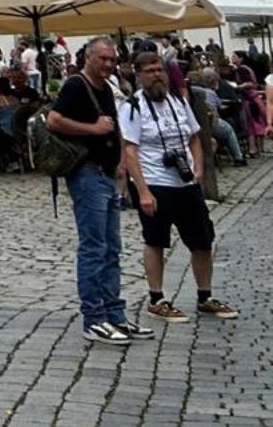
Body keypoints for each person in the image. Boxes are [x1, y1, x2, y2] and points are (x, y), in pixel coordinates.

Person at [119, 47, 237, 322]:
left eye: (159, 70)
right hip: (155, 182)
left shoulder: (177, 101)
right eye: (149, 71)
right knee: (156, 240)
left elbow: (195, 137)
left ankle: (205, 295)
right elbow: (130, 150)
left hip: (185, 183)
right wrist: (143, 190)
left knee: (202, 240)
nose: (156, 75)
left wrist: (198, 167)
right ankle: (157, 297)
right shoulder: (133, 107)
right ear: (138, 76)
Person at [46, 36, 151, 345]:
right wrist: (93, 129)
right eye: (103, 59)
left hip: (107, 173)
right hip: (86, 173)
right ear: (88, 58)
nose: (108, 64)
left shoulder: (107, 89)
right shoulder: (76, 86)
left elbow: (116, 126)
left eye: (112, 60)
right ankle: (94, 318)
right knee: (94, 247)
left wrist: (120, 162)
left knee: (112, 248)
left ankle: (114, 314)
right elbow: (54, 121)